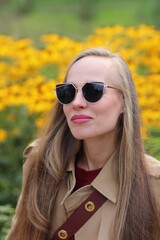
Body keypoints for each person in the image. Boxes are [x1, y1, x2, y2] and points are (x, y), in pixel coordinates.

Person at [7, 47, 160, 240]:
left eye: (93, 91)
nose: (76, 102)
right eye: (67, 92)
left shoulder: (153, 185)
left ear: (124, 101)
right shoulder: (40, 163)